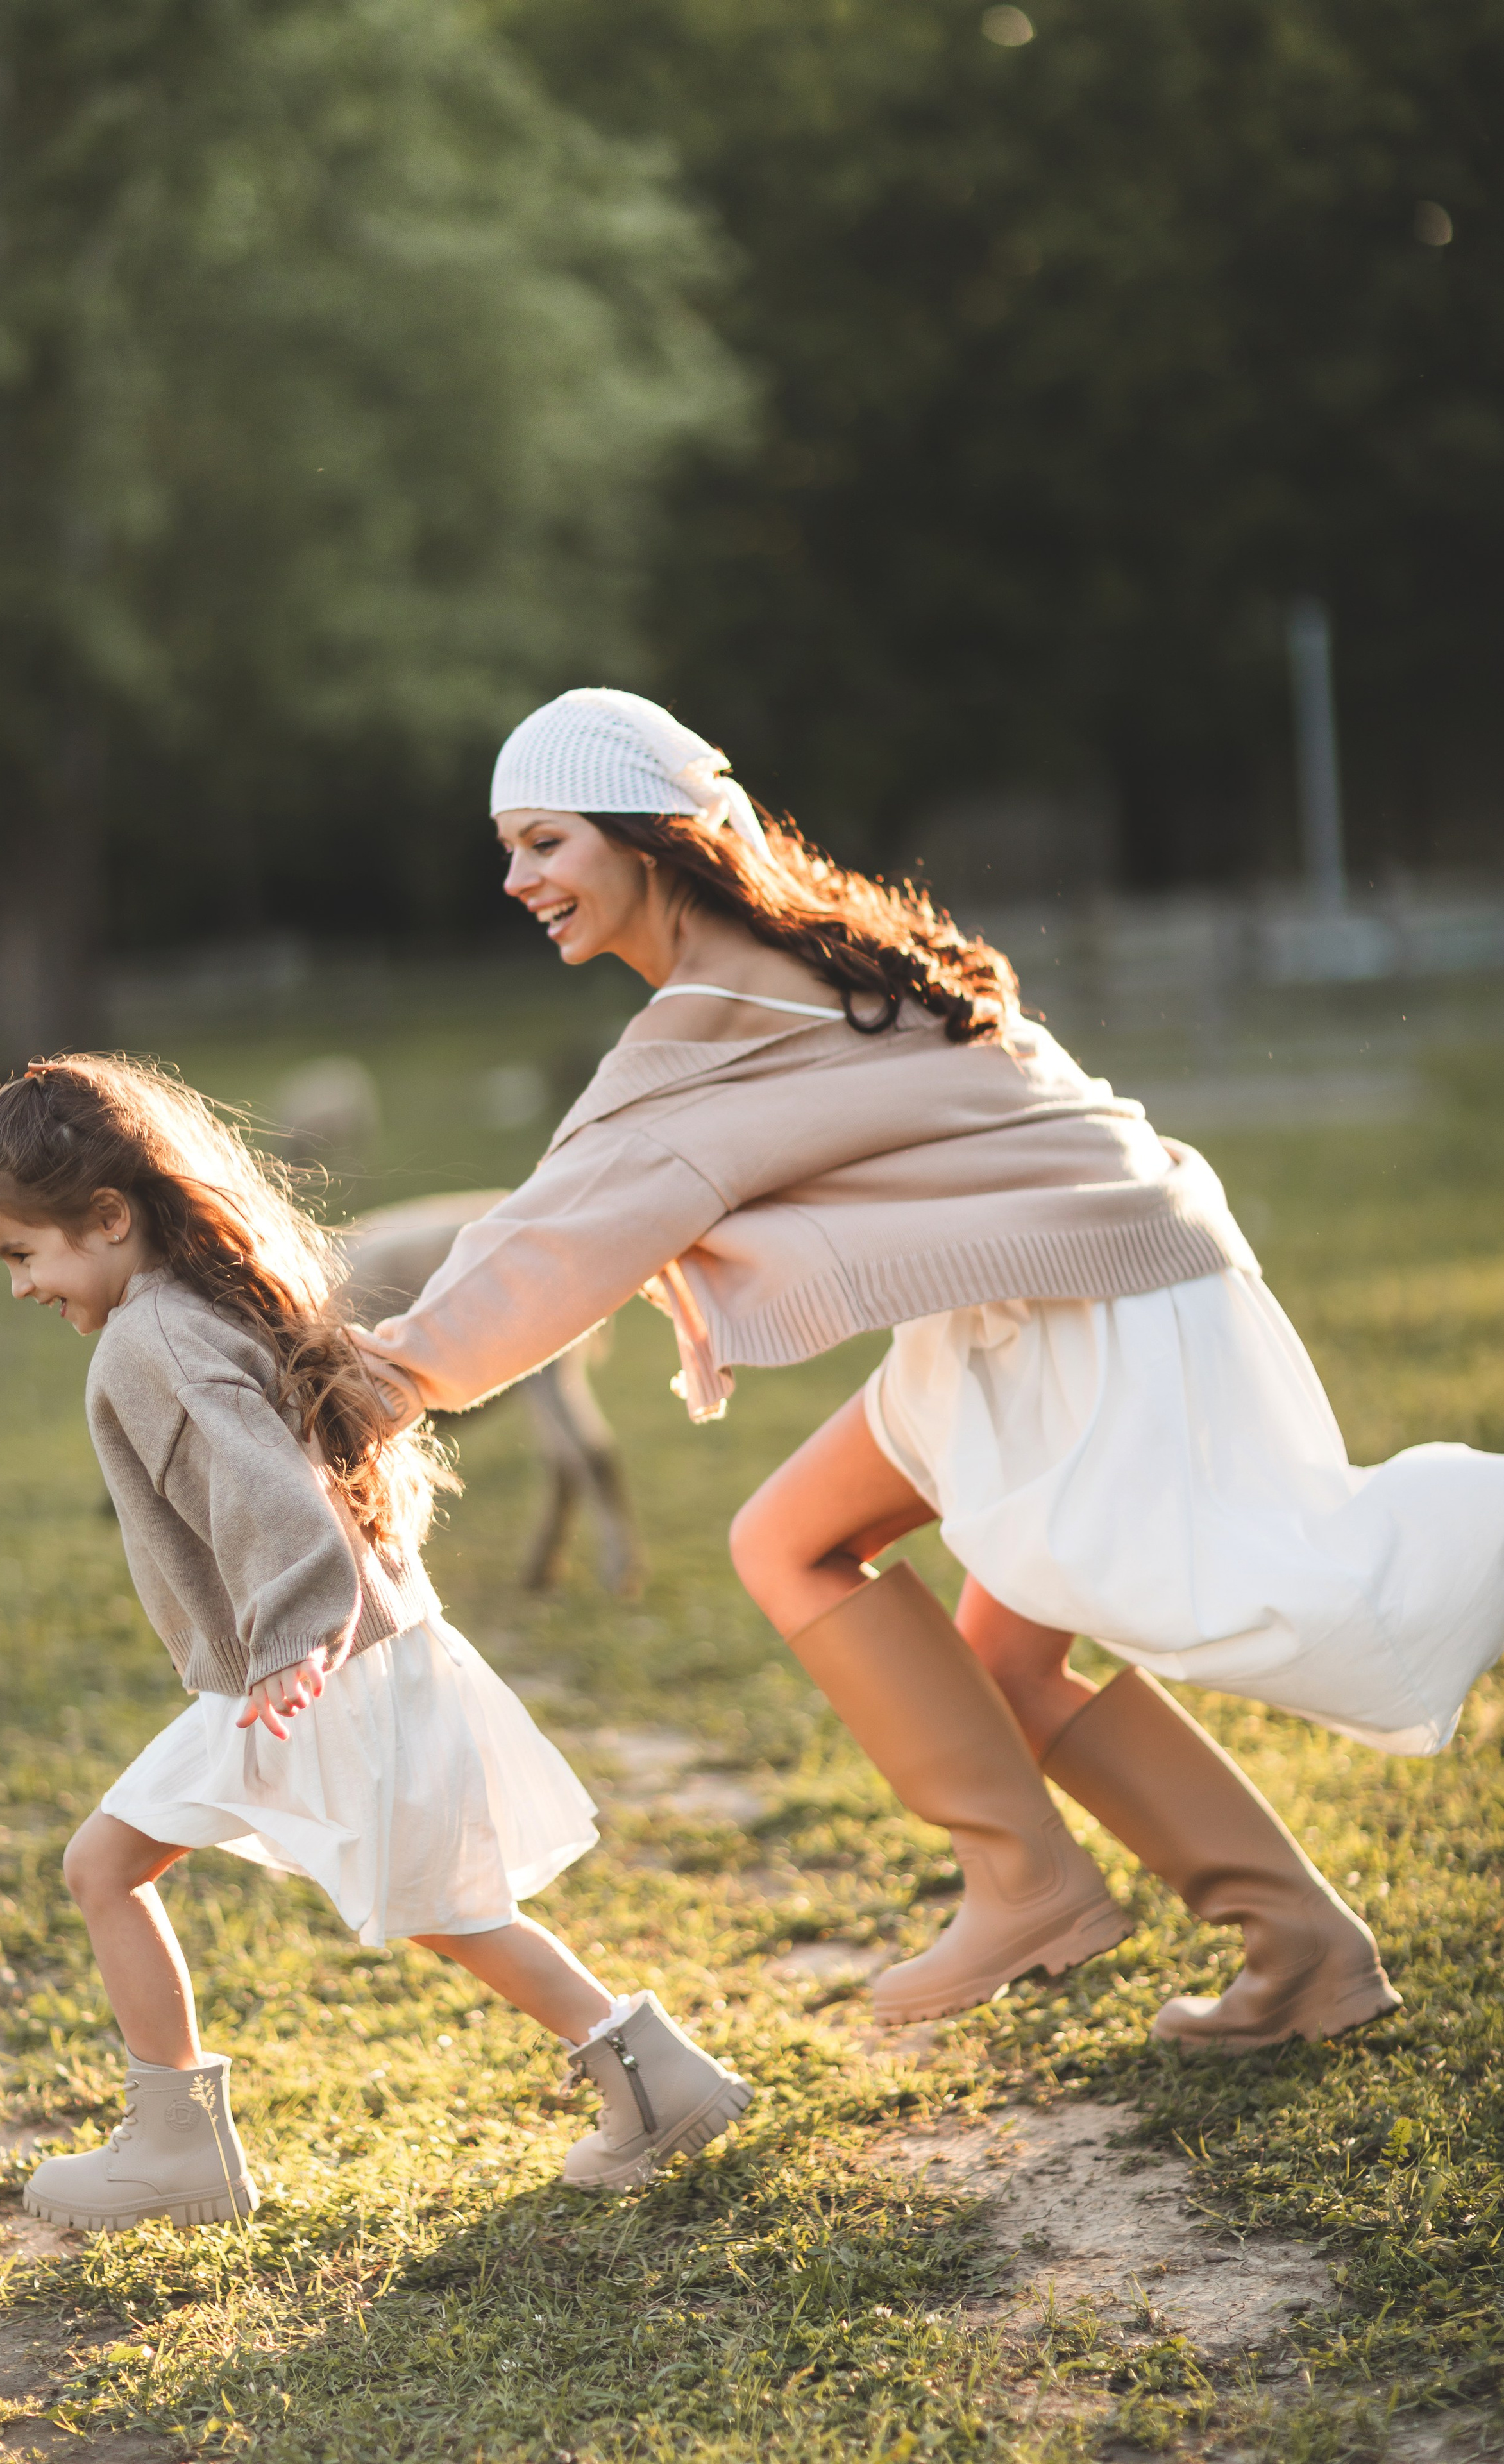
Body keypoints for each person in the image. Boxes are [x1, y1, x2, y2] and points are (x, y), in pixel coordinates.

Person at [358, 686, 1503, 2052]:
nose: (514, 878)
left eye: (543, 841)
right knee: (906, 1607)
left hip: (1084, 1304)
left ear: (645, 836)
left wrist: (379, 1379)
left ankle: (1028, 1883)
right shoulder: (814, 945)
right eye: (508, 847)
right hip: (1068, 1283)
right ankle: (1298, 1947)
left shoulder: (715, 1014)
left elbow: (553, 1233)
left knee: (841, 1554)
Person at [0, 1055, 752, 2229]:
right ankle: (654, 2076)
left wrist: (290, 1633)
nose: (19, 1285)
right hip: (345, 1660)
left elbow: (273, 1494)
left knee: (113, 1869)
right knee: (445, 1907)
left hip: (308, 1672)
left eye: (23, 1253)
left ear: (110, 1217)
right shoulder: (205, 1303)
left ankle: (180, 2149)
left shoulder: (151, 1341)